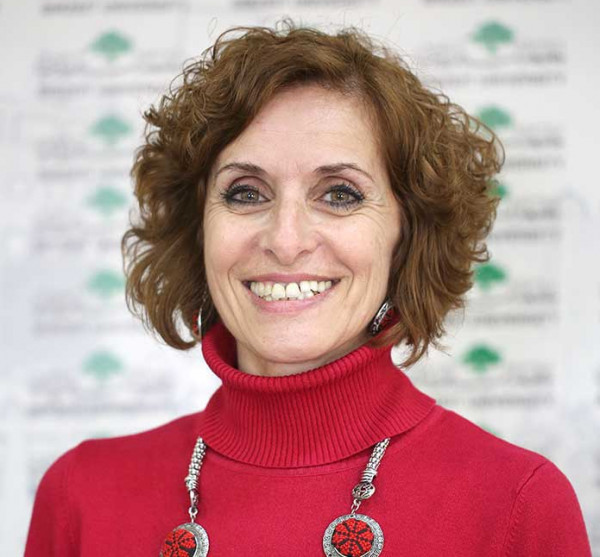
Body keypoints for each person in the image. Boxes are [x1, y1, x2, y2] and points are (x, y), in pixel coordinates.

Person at [24, 21, 591, 556]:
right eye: (246, 193)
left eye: (339, 194)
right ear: (198, 229)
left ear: (408, 233)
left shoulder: (516, 503)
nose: (286, 240)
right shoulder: (81, 495)